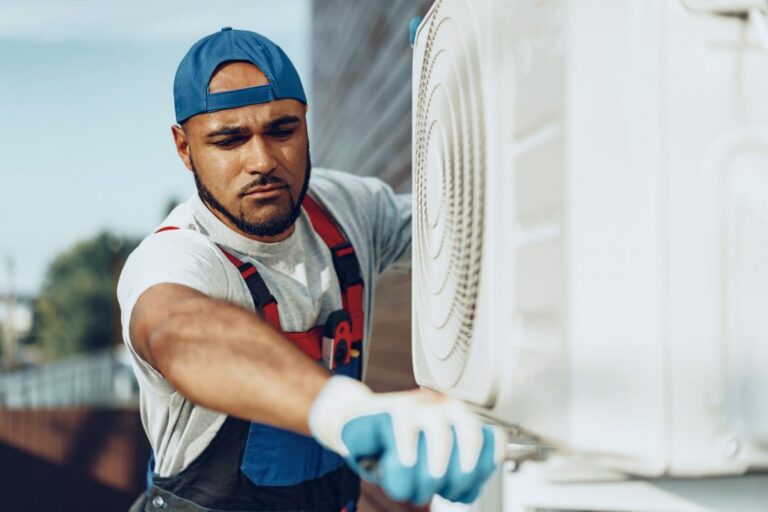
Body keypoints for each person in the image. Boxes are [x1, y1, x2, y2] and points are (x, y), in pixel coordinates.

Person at [118, 27, 504, 512]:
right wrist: (347, 412)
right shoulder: (177, 256)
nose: (261, 161)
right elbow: (177, 329)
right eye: (229, 140)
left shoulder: (348, 210)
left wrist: (459, 54)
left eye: (281, 131)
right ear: (184, 147)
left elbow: (472, 227)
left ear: (306, 123)